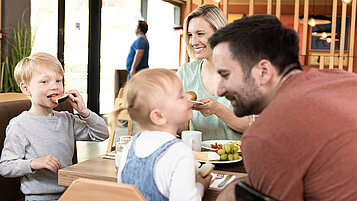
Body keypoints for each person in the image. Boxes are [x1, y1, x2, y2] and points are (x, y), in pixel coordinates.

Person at [209, 14, 357, 201]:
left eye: (225, 75)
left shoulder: (265, 136)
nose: (219, 90)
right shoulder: (345, 79)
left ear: (263, 72)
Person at [0, 52, 109, 200]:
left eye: (58, 80)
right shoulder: (19, 125)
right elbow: (6, 166)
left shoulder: (66, 119)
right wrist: (33, 163)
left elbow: (102, 134)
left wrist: (84, 111)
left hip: (71, 193)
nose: (55, 87)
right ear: (26, 89)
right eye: (45, 82)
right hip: (39, 198)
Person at [111, 68, 211, 201]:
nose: (189, 96)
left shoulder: (129, 147)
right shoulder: (180, 152)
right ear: (158, 116)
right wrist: (200, 186)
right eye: (181, 96)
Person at [176, 4, 249, 140]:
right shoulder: (185, 73)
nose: (193, 41)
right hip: (199, 158)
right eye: (190, 35)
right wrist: (180, 113)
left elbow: (251, 125)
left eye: (200, 34)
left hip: (238, 159)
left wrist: (218, 110)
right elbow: (181, 131)